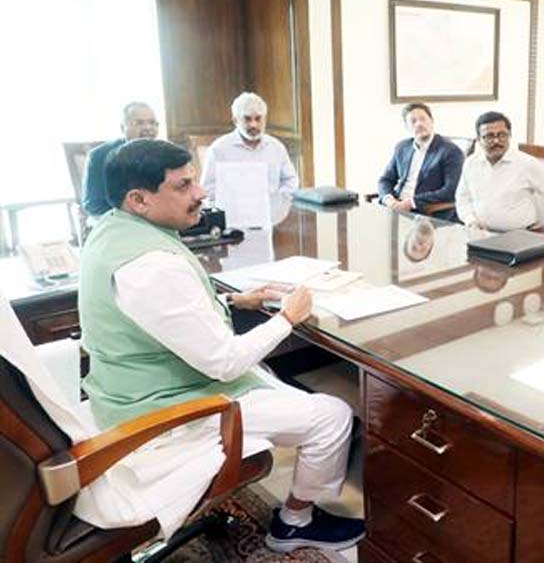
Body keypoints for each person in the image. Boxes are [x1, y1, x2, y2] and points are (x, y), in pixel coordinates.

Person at [79, 139, 363, 554]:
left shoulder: (110, 231)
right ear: (138, 199)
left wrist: (233, 301)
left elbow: (156, 315)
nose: (200, 193)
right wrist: (287, 318)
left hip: (122, 392)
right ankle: (294, 524)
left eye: (195, 180)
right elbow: (225, 363)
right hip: (164, 412)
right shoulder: (152, 265)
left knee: (272, 377)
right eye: (183, 186)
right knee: (333, 416)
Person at [455, 111, 544, 231]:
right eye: (489, 136)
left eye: (502, 135)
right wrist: (471, 221)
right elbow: (462, 199)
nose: (496, 141)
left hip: (519, 234)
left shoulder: (527, 163)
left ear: (510, 136)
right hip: (479, 232)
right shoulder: (471, 163)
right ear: (478, 139)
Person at [201, 91, 300, 198]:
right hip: (233, 207)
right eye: (247, 119)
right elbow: (207, 188)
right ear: (235, 120)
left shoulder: (277, 148)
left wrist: (279, 198)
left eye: (258, 118)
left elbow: (290, 180)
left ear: (265, 119)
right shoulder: (218, 149)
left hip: (271, 207)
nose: (253, 125)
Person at [377, 102, 464, 222]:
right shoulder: (402, 147)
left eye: (423, 119)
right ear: (406, 127)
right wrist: (388, 199)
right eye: (413, 121)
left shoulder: (451, 151)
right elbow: (385, 179)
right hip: (397, 207)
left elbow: (451, 190)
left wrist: (412, 202)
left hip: (426, 211)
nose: (419, 124)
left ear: (432, 121)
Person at [81, 101, 159, 217]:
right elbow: (93, 204)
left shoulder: (164, 154)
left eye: (152, 123)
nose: (148, 128)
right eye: (139, 123)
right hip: (117, 218)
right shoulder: (100, 156)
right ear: (123, 128)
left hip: (156, 216)